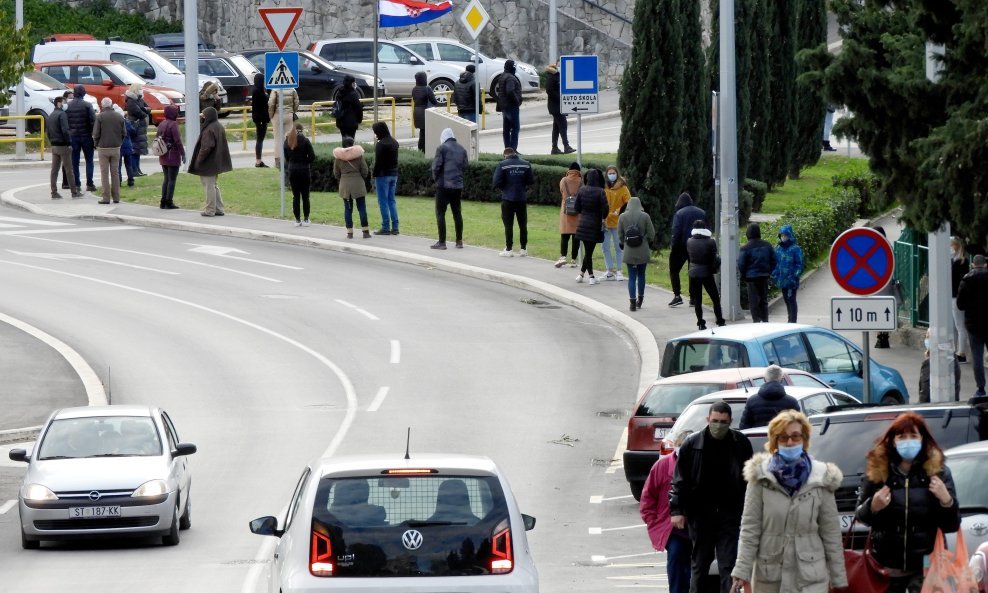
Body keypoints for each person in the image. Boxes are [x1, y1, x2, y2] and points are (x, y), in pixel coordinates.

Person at [731, 411, 847, 593]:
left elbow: (831, 532)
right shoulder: (760, 477)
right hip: (770, 576)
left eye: (795, 436)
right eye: (783, 438)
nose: (790, 442)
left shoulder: (821, 476)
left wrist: (838, 577)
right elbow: (750, 528)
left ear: (804, 439)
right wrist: (741, 570)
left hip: (810, 577)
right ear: (775, 441)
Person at [854, 412, 961, 593]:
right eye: (902, 436)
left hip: (926, 567)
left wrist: (946, 500)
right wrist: (873, 506)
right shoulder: (878, 472)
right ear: (893, 441)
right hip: (886, 567)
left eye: (913, 436)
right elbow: (860, 516)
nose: (908, 441)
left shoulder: (938, 473)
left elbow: (952, 525)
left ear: (922, 439)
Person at [669, 400, 754, 593]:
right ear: (708, 419)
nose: (719, 425)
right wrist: (677, 510)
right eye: (715, 420)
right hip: (700, 515)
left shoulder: (740, 443)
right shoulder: (693, 444)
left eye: (723, 421)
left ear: (730, 421)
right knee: (700, 564)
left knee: (727, 565)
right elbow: (680, 480)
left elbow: (750, 480)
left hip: (729, 514)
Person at [640, 431, 693, 593]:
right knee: (677, 564)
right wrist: (654, 523)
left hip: (698, 529)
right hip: (673, 531)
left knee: (697, 572)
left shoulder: (701, 467)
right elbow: (647, 499)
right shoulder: (662, 467)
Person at [188, 106, 233, 217]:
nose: (202, 118)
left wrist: (199, 159)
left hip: (208, 163)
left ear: (208, 117)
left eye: (203, 116)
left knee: (209, 186)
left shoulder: (209, 129)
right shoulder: (218, 126)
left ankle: (210, 210)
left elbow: (206, 147)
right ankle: (219, 208)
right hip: (216, 162)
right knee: (213, 185)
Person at [493, 147, 535, 257]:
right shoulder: (526, 164)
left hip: (508, 198)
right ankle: (523, 249)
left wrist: (505, 188)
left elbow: (496, 182)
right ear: (514, 153)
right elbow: (530, 181)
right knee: (523, 224)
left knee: (508, 225)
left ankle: (509, 249)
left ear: (505, 155)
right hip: (521, 198)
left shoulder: (502, 164)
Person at [430, 127, 468, 249]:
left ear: (443, 137)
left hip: (443, 185)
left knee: (440, 213)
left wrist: (436, 179)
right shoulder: (462, 149)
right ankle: (459, 241)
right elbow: (465, 166)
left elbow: (435, 167)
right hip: (457, 185)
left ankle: (442, 242)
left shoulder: (442, 148)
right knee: (457, 213)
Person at [957, 254, 988, 396]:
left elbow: (960, 305)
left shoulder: (966, 280)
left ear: (973, 264)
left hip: (973, 324)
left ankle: (981, 388)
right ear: (985, 264)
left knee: (977, 357)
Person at [618, 196, 655, 311]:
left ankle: (632, 303)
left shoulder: (622, 217)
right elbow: (651, 233)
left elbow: (620, 234)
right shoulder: (645, 216)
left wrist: (623, 243)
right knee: (641, 275)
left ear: (628, 205)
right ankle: (640, 300)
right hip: (642, 250)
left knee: (631, 277)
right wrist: (646, 240)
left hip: (629, 250)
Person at [669, 192, 706, 307]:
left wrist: (673, 246)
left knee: (674, 270)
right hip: (698, 246)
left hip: (681, 247)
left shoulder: (679, 214)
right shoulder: (701, 212)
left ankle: (677, 295)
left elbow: (676, 231)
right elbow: (707, 229)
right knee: (693, 271)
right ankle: (693, 297)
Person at [687, 220, 725, 330]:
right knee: (715, 298)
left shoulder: (689, 241)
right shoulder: (710, 242)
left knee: (698, 300)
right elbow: (714, 257)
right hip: (707, 272)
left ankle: (700, 323)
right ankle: (720, 321)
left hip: (693, 273)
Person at [574, 168, 609, 285]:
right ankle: (591, 277)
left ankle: (581, 274)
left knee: (588, 251)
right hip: (595, 224)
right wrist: (603, 217)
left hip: (582, 223)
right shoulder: (600, 191)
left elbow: (576, 207)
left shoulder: (582, 190)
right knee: (589, 252)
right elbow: (606, 207)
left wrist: (583, 213)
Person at [738, 365, 799, 429]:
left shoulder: (751, 401)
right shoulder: (792, 402)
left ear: (764, 379)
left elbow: (744, 428)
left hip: (757, 438)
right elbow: (798, 428)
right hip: (784, 438)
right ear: (782, 380)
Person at [332, 136, 370, 238]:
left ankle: (350, 233)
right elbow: (365, 170)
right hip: (358, 183)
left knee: (348, 209)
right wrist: (361, 178)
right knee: (362, 208)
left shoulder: (338, 158)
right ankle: (365, 232)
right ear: (352, 144)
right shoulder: (358, 156)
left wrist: (342, 179)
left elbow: (336, 173)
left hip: (344, 185)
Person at [738, 222, 776, 323]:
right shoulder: (767, 245)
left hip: (751, 278)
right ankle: (765, 320)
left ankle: (756, 321)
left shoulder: (745, 248)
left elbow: (741, 264)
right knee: (763, 300)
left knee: (754, 301)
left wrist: (744, 275)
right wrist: (769, 271)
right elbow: (773, 260)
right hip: (764, 276)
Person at [92, 97, 125, 204]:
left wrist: (96, 144)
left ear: (102, 106)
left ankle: (106, 197)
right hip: (116, 148)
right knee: (115, 173)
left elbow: (96, 133)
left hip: (103, 148)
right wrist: (119, 142)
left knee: (104, 174)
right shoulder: (119, 116)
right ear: (111, 105)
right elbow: (124, 133)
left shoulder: (100, 117)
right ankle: (116, 197)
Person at [601, 165, 631, 281]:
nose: (611, 175)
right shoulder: (604, 187)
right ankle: (609, 270)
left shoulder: (623, 188)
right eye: (610, 173)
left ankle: (619, 270)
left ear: (617, 174)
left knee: (619, 247)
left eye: (613, 173)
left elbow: (628, 202)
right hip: (605, 221)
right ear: (606, 174)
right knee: (605, 247)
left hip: (618, 222)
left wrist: (619, 211)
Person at [47, 96, 80, 199]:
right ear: (59, 103)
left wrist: (52, 141)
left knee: (54, 170)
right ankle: (74, 191)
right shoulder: (62, 114)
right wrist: (69, 142)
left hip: (54, 145)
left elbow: (48, 131)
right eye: (64, 102)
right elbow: (65, 130)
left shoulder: (50, 115)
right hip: (63, 145)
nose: (66, 104)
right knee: (69, 169)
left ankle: (54, 191)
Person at [66, 84, 97, 192]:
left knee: (75, 161)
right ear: (83, 93)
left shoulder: (68, 106)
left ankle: (77, 184)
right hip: (87, 136)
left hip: (73, 136)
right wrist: (95, 136)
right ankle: (89, 183)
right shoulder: (88, 105)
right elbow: (93, 121)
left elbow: (65, 122)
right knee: (89, 160)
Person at [772, 224, 804, 323]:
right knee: (786, 300)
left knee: (791, 300)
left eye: (785, 235)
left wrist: (794, 275)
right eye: (782, 235)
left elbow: (800, 264)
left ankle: (792, 321)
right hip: (782, 280)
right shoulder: (778, 248)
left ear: (790, 235)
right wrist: (775, 275)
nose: (783, 237)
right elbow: (776, 263)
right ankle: (790, 319)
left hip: (791, 281)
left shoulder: (795, 249)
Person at [372, 122, 400, 235]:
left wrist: (374, 174)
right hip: (394, 174)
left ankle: (385, 227)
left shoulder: (380, 144)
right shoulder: (394, 142)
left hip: (382, 175)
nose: (375, 134)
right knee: (391, 201)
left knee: (383, 201)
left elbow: (378, 162)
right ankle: (395, 227)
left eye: (375, 132)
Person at [918, 328, 961, 402]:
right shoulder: (953, 360)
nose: (926, 340)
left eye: (928, 337)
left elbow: (925, 393)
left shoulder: (930, 364)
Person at [286, 123, 316, 227]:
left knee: (295, 196)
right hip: (304, 170)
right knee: (305, 196)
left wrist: (291, 163)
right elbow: (312, 156)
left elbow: (286, 157)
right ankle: (306, 219)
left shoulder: (287, 141)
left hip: (292, 170)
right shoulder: (305, 141)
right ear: (301, 130)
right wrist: (305, 161)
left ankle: (297, 220)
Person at [156, 104, 184, 210]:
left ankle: (163, 202)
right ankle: (169, 202)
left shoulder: (162, 123)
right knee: (172, 179)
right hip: (173, 154)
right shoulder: (173, 124)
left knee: (166, 179)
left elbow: (157, 137)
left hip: (163, 154)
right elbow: (178, 141)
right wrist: (183, 153)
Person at [555, 162, 583, 268]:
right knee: (576, 236)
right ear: (578, 170)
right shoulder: (581, 181)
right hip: (578, 211)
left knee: (565, 234)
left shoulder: (563, 180)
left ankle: (563, 256)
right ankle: (574, 260)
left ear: (569, 170)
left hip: (566, 211)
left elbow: (562, 191)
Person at [544, 63, 574, 154]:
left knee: (557, 127)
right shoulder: (552, 77)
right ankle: (566, 146)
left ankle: (555, 148)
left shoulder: (553, 77)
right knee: (563, 125)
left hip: (556, 106)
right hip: (556, 106)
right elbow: (549, 90)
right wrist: (560, 98)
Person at [950, 236, 970, 364]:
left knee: (960, 326)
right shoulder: (954, 260)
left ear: (956, 246)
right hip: (952, 296)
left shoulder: (961, 261)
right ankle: (955, 350)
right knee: (953, 326)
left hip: (956, 297)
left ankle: (961, 353)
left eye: (951, 245)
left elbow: (960, 281)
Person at [268, 87, 299, 168]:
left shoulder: (275, 89)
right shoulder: (292, 89)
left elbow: (271, 103)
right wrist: (292, 112)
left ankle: (278, 161)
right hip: (289, 114)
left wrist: (271, 115)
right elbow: (296, 102)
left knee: (277, 139)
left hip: (277, 115)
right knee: (289, 137)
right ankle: (289, 158)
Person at [124, 83, 150, 177]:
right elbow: (140, 113)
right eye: (140, 88)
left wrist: (144, 109)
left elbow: (148, 107)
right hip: (135, 127)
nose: (141, 90)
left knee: (138, 150)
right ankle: (134, 170)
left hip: (140, 128)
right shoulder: (131, 101)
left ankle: (138, 169)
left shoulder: (140, 99)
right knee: (134, 150)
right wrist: (144, 110)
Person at [496, 60, 523, 150]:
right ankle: (513, 150)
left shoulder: (502, 76)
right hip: (511, 106)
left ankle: (507, 150)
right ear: (512, 67)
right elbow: (510, 91)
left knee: (506, 130)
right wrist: (517, 101)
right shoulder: (511, 78)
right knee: (515, 129)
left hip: (504, 106)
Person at [412, 71, 438, 152]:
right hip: (425, 112)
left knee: (422, 132)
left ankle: (420, 149)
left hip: (416, 111)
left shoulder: (414, 89)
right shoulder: (427, 88)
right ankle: (424, 150)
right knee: (426, 133)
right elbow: (434, 101)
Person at [335, 74, 363, 142]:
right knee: (350, 141)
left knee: (344, 139)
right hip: (351, 122)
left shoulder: (339, 92)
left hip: (341, 121)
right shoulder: (353, 94)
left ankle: (344, 151)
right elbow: (358, 108)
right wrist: (359, 120)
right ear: (352, 83)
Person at [251, 73, 270, 168]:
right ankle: (258, 161)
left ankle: (259, 160)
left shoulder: (257, 90)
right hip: (261, 119)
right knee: (260, 140)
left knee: (260, 139)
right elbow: (264, 103)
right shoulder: (258, 92)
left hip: (259, 118)